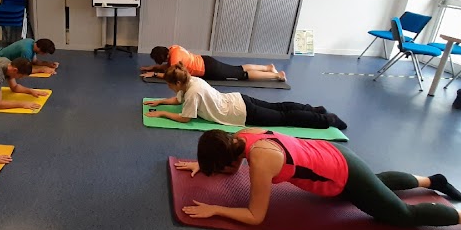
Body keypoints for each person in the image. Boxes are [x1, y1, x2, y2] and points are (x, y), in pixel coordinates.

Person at [174, 128, 461, 228]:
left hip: (342, 176)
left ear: (229, 160)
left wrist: (215, 209)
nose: (222, 175)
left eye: (219, 169)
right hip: (333, 156)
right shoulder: (241, 137)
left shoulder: (261, 161)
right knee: (375, 182)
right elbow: (228, 157)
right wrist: (203, 164)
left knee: (400, 215)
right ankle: (432, 181)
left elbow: (255, 216)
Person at [144, 63, 347, 130]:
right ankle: (315, 109)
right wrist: (162, 101)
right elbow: (178, 100)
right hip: (239, 99)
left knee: (284, 118)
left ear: (178, 83)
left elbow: (185, 117)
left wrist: (162, 113)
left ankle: (326, 120)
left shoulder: (193, 93)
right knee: (279, 107)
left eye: (169, 85)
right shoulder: (191, 81)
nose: (169, 89)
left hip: (241, 113)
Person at [140, 45, 285, 82]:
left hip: (209, 70)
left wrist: (154, 73)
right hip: (206, 60)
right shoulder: (173, 49)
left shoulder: (173, 60)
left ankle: (277, 76)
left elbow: (171, 75)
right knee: (237, 68)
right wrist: (154, 67)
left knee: (241, 74)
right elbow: (169, 65)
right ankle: (268, 68)